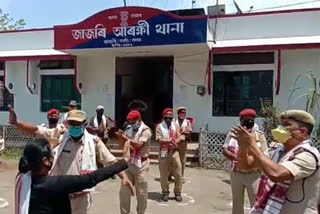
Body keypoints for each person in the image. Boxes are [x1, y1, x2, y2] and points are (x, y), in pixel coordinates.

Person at [9, 108, 135, 214]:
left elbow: (110, 161)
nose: (74, 127)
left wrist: (124, 177)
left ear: (84, 124)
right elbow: (36, 130)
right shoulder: (59, 135)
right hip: (58, 193)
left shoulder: (94, 142)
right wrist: (17, 123)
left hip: (80, 198)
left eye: (77, 124)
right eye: (71, 124)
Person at [232, 110, 320, 214]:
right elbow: (246, 166)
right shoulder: (276, 150)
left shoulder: (308, 155)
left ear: (302, 132)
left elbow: (276, 174)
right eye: (281, 124)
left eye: (287, 125)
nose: (280, 128)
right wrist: (243, 146)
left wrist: (252, 145)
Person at [15, 138, 128, 214]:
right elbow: (91, 179)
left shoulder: (21, 178)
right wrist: (124, 162)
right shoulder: (55, 184)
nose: (52, 155)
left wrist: (51, 145)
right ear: (45, 161)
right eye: (51, 153)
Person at [223, 109, 268, 214]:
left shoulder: (259, 135)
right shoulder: (233, 132)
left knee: (256, 202)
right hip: (236, 172)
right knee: (237, 202)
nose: (249, 122)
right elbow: (225, 150)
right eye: (247, 119)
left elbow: (265, 154)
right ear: (241, 120)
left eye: (252, 120)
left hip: (254, 174)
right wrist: (237, 158)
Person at [116, 110, 152, 214]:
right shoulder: (128, 128)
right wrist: (120, 137)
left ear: (139, 119)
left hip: (141, 166)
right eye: (129, 122)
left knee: (142, 194)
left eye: (133, 122)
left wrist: (125, 138)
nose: (131, 124)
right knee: (124, 192)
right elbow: (123, 146)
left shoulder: (146, 130)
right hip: (129, 163)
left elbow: (138, 145)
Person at [156, 108, 182, 202]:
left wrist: (176, 141)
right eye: (167, 115)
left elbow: (179, 136)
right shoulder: (159, 126)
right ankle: (165, 192)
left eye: (170, 115)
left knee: (178, 173)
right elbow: (158, 139)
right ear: (164, 116)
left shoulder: (175, 125)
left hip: (174, 152)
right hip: (164, 152)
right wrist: (168, 141)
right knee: (163, 174)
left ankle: (178, 193)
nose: (168, 117)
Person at [175, 106, 192, 182]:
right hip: (175, 142)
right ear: (178, 113)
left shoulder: (187, 122)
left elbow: (190, 131)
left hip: (183, 142)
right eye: (181, 112)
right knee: (173, 159)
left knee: (182, 160)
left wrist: (185, 132)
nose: (183, 114)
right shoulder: (173, 121)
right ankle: (172, 175)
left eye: (184, 113)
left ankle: (181, 176)